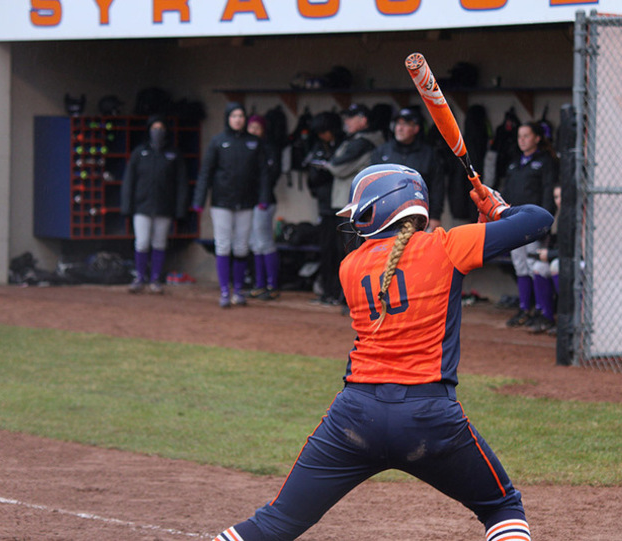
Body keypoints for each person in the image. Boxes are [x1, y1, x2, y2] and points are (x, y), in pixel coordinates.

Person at [212, 164, 552, 541]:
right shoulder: (445, 244)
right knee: (501, 507)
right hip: (429, 417)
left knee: (275, 523)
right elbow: (538, 219)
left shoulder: (349, 266)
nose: (356, 222)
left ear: (381, 210)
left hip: (355, 416)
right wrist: (498, 210)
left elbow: (413, 267)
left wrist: (482, 226)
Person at [193, 102, 271, 308]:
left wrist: (264, 197)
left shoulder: (254, 142)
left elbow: (263, 173)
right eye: (234, 116)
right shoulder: (218, 141)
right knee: (223, 244)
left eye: (241, 116)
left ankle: (238, 290)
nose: (238, 119)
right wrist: (199, 200)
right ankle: (224, 291)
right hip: (221, 202)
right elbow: (206, 172)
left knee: (241, 246)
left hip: (246, 202)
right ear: (227, 118)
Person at [316, 103, 384, 306]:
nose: (346, 122)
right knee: (349, 251)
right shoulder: (356, 140)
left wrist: (325, 164)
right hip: (353, 205)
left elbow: (337, 167)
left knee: (356, 252)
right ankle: (350, 296)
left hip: (358, 206)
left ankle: (355, 298)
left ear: (363, 120)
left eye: (351, 117)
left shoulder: (364, 141)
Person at [120, 114, 189, 294]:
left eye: (161, 129)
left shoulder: (173, 154)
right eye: (154, 128)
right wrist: (127, 206)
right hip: (142, 206)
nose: (157, 132)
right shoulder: (139, 152)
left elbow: (181, 183)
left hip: (164, 206)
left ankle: (155, 279)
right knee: (142, 242)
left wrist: (180, 209)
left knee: (159, 243)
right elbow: (129, 181)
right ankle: (139, 277)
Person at [500, 121, 558, 328]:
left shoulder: (545, 162)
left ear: (537, 138)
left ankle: (543, 311)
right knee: (520, 265)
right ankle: (525, 308)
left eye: (526, 136)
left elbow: (548, 194)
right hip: (515, 223)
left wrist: (545, 222)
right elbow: (506, 194)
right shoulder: (515, 163)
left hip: (534, 223)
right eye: (519, 136)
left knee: (536, 265)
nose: (522, 140)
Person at [370, 106, 444, 231]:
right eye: (398, 123)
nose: (400, 128)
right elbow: (372, 186)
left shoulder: (428, 154)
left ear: (416, 129)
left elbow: (437, 187)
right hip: (386, 216)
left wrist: (435, 216)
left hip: (418, 217)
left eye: (406, 124)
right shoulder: (381, 151)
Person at [304, 111, 345, 306]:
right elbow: (312, 177)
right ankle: (327, 291)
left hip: (342, 207)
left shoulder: (344, 146)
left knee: (341, 251)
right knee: (326, 250)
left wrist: (328, 170)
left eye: (325, 131)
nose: (322, 135)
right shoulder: (318, 147)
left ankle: (341, 293)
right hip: (324, 208)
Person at [246, 114, 282, 301]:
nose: (253, 131)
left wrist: (263, 197)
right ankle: (259, 284)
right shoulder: (246, 148)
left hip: (265, 200)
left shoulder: (269, 149)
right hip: (248, 201)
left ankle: (272, 285)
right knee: (254, 243)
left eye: (257, 128)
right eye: (250, 127)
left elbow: (271, 176)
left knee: (265, 241)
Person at [529, 184, 561, 334]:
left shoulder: (577, 214)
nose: (559, 201)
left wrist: (551, 255)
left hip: (573, 261)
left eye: (561, 196)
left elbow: (575, 248)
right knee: (539, 267)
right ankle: (547, 316)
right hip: (559, 257)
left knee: (556, 265)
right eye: (556, 197)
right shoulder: (557, 215)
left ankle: (565, 318)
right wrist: (546, 252)